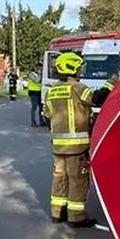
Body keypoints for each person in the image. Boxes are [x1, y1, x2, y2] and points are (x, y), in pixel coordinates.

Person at [44, 52, 97, 228]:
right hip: (77, 147)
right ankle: (76, 216)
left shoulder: (51, 91)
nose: (80, 71)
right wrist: (115, 80)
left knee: (59, 178)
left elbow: (47, 117)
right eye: (79, 67)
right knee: (77, 180)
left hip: (58, 147)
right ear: (72, 68)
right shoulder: (78, 88)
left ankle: (57, 213)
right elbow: (97, 99)